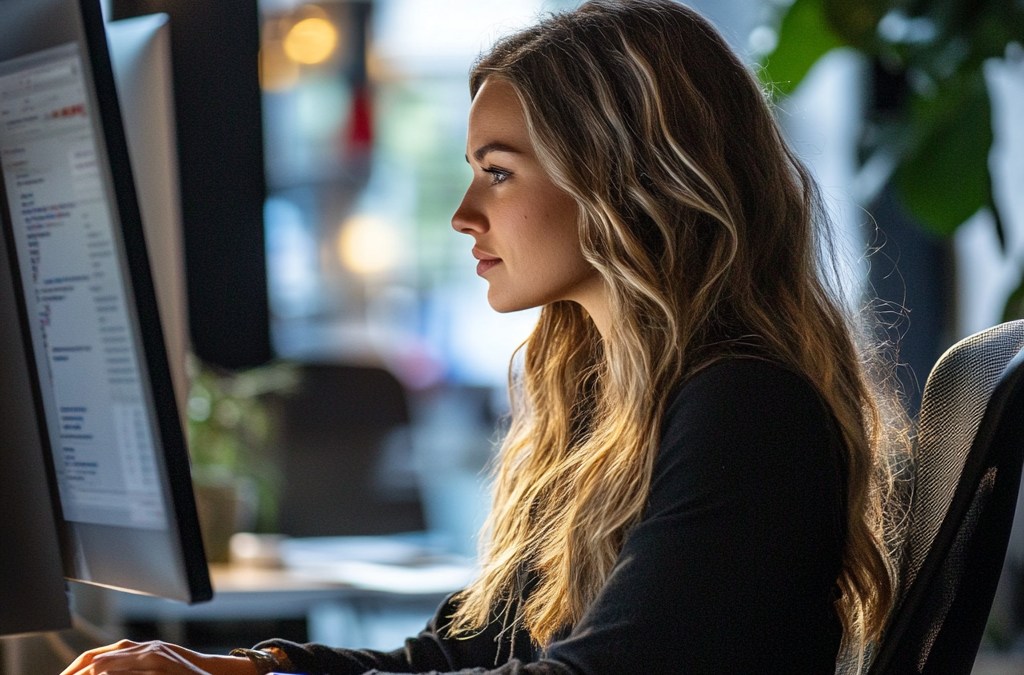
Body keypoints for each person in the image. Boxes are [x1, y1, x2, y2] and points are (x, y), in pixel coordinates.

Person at [63, 1, 911, 673]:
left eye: (497, 173)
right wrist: (244, 670)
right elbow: (468, 650)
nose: (465, 216)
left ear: (627, 179)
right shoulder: (606, 404)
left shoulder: (746, 406)